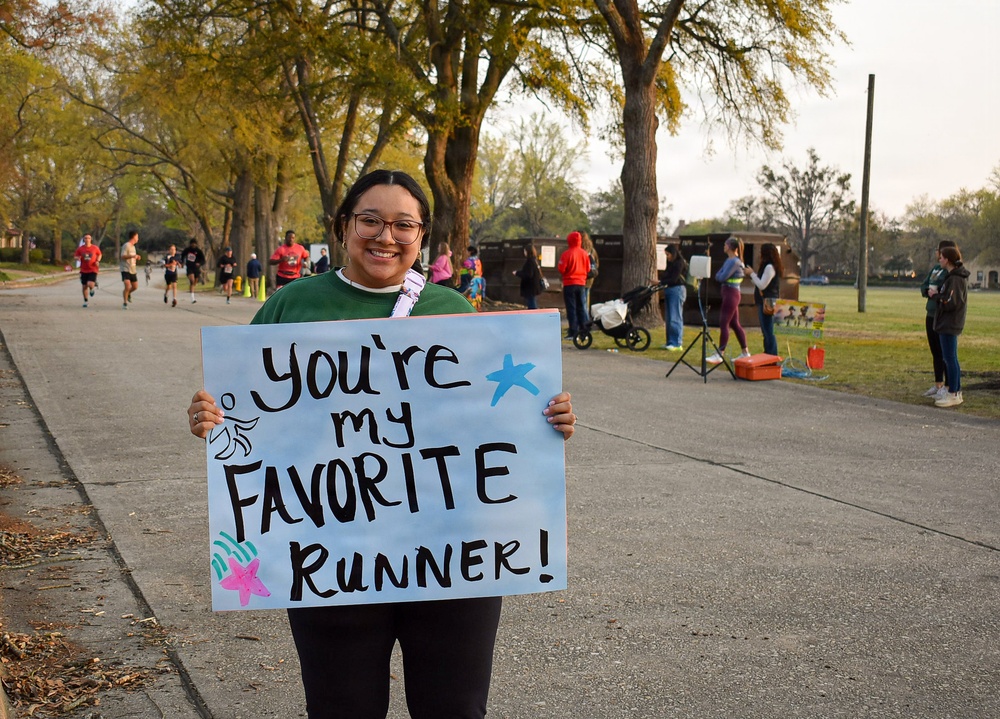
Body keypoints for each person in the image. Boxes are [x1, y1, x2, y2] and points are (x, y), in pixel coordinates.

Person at [186, 169, 576, 719]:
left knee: (454, 709)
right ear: (343, 226)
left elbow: (494, 421)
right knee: (341, 708)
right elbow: (248, 411)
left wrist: (547, 420)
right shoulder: (291, 306)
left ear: (422, 237)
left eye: (402, 224)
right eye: (370, 220)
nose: (385, 236)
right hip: (332, 559)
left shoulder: (452, 311)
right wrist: (212, 417)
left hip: (453, 564)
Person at [919, 240, 957, 400]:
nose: (937, 255)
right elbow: (924, 285)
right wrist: (927, 291)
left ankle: (949, 386)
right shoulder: (935, 269)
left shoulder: (950, 272)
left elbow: (948, 291)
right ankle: (938, 384)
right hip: (930, 313)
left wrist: (938, 294)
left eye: (939, 252)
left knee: (945, 353)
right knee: (935, 351)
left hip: (942, 315)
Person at [932, 245, 970, 408]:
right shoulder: (953, 277)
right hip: (949, 323)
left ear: (947, 259)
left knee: (950, 358)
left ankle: (953, 392)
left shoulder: (955, 279)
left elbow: (950, 302)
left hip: (950, 324)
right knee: (951, 358)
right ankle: (956, 391)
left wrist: (936, 296)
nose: (939, 259)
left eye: (941, 257)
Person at [706, 236, 750, 364]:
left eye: (725, 244)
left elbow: (721, 276)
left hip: (731, 293)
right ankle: (745, 352)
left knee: (724, 322)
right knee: (735, 324)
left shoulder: (734, 262)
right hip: (728, 292)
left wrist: (721, 276)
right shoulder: (729, 260)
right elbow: (718, 275)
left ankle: (720, 354)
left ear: (731, 247)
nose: (723, 246)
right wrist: (720, 276)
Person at [746, 242, 783, 356]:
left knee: (768, 331)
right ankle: (768, 353)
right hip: (765, 301)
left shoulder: (769, 267)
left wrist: (752, 274)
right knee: (766, 331)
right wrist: (752, 276)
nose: (759, 254)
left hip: (768, 302)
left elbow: (762, 285)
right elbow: (760, 283)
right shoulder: (768, 266)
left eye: (761, 251)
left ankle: (771, 354)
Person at [557, 231, 591, 339]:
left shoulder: (566, 254)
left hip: (569, 283)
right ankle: (584, 331)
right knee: (581, 307)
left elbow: (561, 269)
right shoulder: (584, 254)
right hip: (581, 283)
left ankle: (573, 331)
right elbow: (588, 269)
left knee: (571, 308)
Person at [659, 244, 688, 350]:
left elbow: (673, 279)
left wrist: (660, 282)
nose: (667, 257)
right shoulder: (670, 263)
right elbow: (667, 275)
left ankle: (677, 343)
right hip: (669, 289)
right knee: (669, 317)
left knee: (675, 316)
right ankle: (670, 341)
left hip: (677, 290)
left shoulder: (679, 263)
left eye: (668, 254)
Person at [74, 234, 101, 308]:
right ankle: (86, 301)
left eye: (88, 238)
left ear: (91, 239)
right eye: (85, 238)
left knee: (90, 284)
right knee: (84, 286)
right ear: (83, 239)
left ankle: (92, 288)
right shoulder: (80, 249)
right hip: (83, 270)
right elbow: (76, 256)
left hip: (93, 269)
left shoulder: (95, 248)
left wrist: (97, 261)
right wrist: (78, 258)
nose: (87, 239)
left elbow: (99, 254)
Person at [513, 243, 543, 309]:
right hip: (534, 286)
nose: (524, 253)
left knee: (531, 303)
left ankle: (534, 316)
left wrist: (517, 273)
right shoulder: (534, 260)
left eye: (525, 251)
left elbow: (528, 274)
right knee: (532, 302)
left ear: (528, 252)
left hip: (530, 288)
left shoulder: (530, 262)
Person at [119, 230, 141, 310]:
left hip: (133, 269)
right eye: (137, 237)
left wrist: (136, 257)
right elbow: (123, 256)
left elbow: (132, 256)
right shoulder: (126, 245)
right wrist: (132, 256)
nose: (138, 238)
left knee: (135, 287)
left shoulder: (133, 247)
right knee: (127, 285)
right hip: (125, 269)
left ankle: (128, 294)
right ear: (134, 237)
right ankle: (125, 303)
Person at [184, 239, 205, 303]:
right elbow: (182, 256)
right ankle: (192, 298)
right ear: (190, 244)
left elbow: (203, 260)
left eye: (194, 243)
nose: (193, 244)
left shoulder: (198, 251)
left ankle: (192, 287)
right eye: (192, 243)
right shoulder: (187, 250)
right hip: (189, 267)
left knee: (194, 282)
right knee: (192, 281)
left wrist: (199, 263)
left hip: (196, 268)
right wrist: (182, 262)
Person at [581, 232, 599, 310]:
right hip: (590, 277)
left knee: (581, 300)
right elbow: (597, 263)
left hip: (581, 277)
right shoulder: (592, 250)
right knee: (586, 298)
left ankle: (583, 317)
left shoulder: (580, 250)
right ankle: (586, 316)